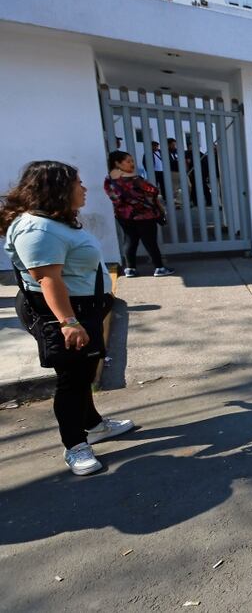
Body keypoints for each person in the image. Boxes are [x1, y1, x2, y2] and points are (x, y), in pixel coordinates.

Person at [2, 161, 135, 475]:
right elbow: (48, 279)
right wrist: (68, 322)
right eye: (79, 183)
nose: (85, 189)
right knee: (72, 380)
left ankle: (94, 424)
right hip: (64, 313)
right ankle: (75, 445)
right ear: (58, 190)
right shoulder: (36, 227)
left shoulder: (54, 221)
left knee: (83, 372)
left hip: (83, 309)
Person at [104, 150, 173, 278]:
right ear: (117, 163)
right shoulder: (134, 178)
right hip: (144, 215)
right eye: (128, 161)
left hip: (123, 215)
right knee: (150, 241)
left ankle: (130, 269)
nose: (132, 164)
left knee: (129, 240)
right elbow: (152, 190)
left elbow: (114, 197)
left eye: (132, 161)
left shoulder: (109, 180)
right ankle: (159, 268)